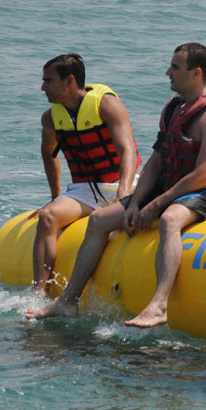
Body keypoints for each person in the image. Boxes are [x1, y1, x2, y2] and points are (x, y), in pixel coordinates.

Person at [27, 43, 206, 328]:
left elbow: (203, 175)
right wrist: (136, 200)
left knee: (169, 220)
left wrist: (155, 205)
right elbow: (156, 161)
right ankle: (69, 300)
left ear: (196, 73)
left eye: (175, 67)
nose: (168, 72)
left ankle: (158, 305)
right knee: (99, 219)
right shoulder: (174, 108)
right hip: (170, 189)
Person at [32, 54, 140, 295]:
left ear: (69, 81)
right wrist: (55, 196)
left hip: (121, 183)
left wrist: (123, 195)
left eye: (48, 81)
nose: (43, 87)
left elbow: (127, 149)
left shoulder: (106, 105)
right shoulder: (50, 118)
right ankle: (39, 293)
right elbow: (48, 152)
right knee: (48, 217)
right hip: (84, 192)